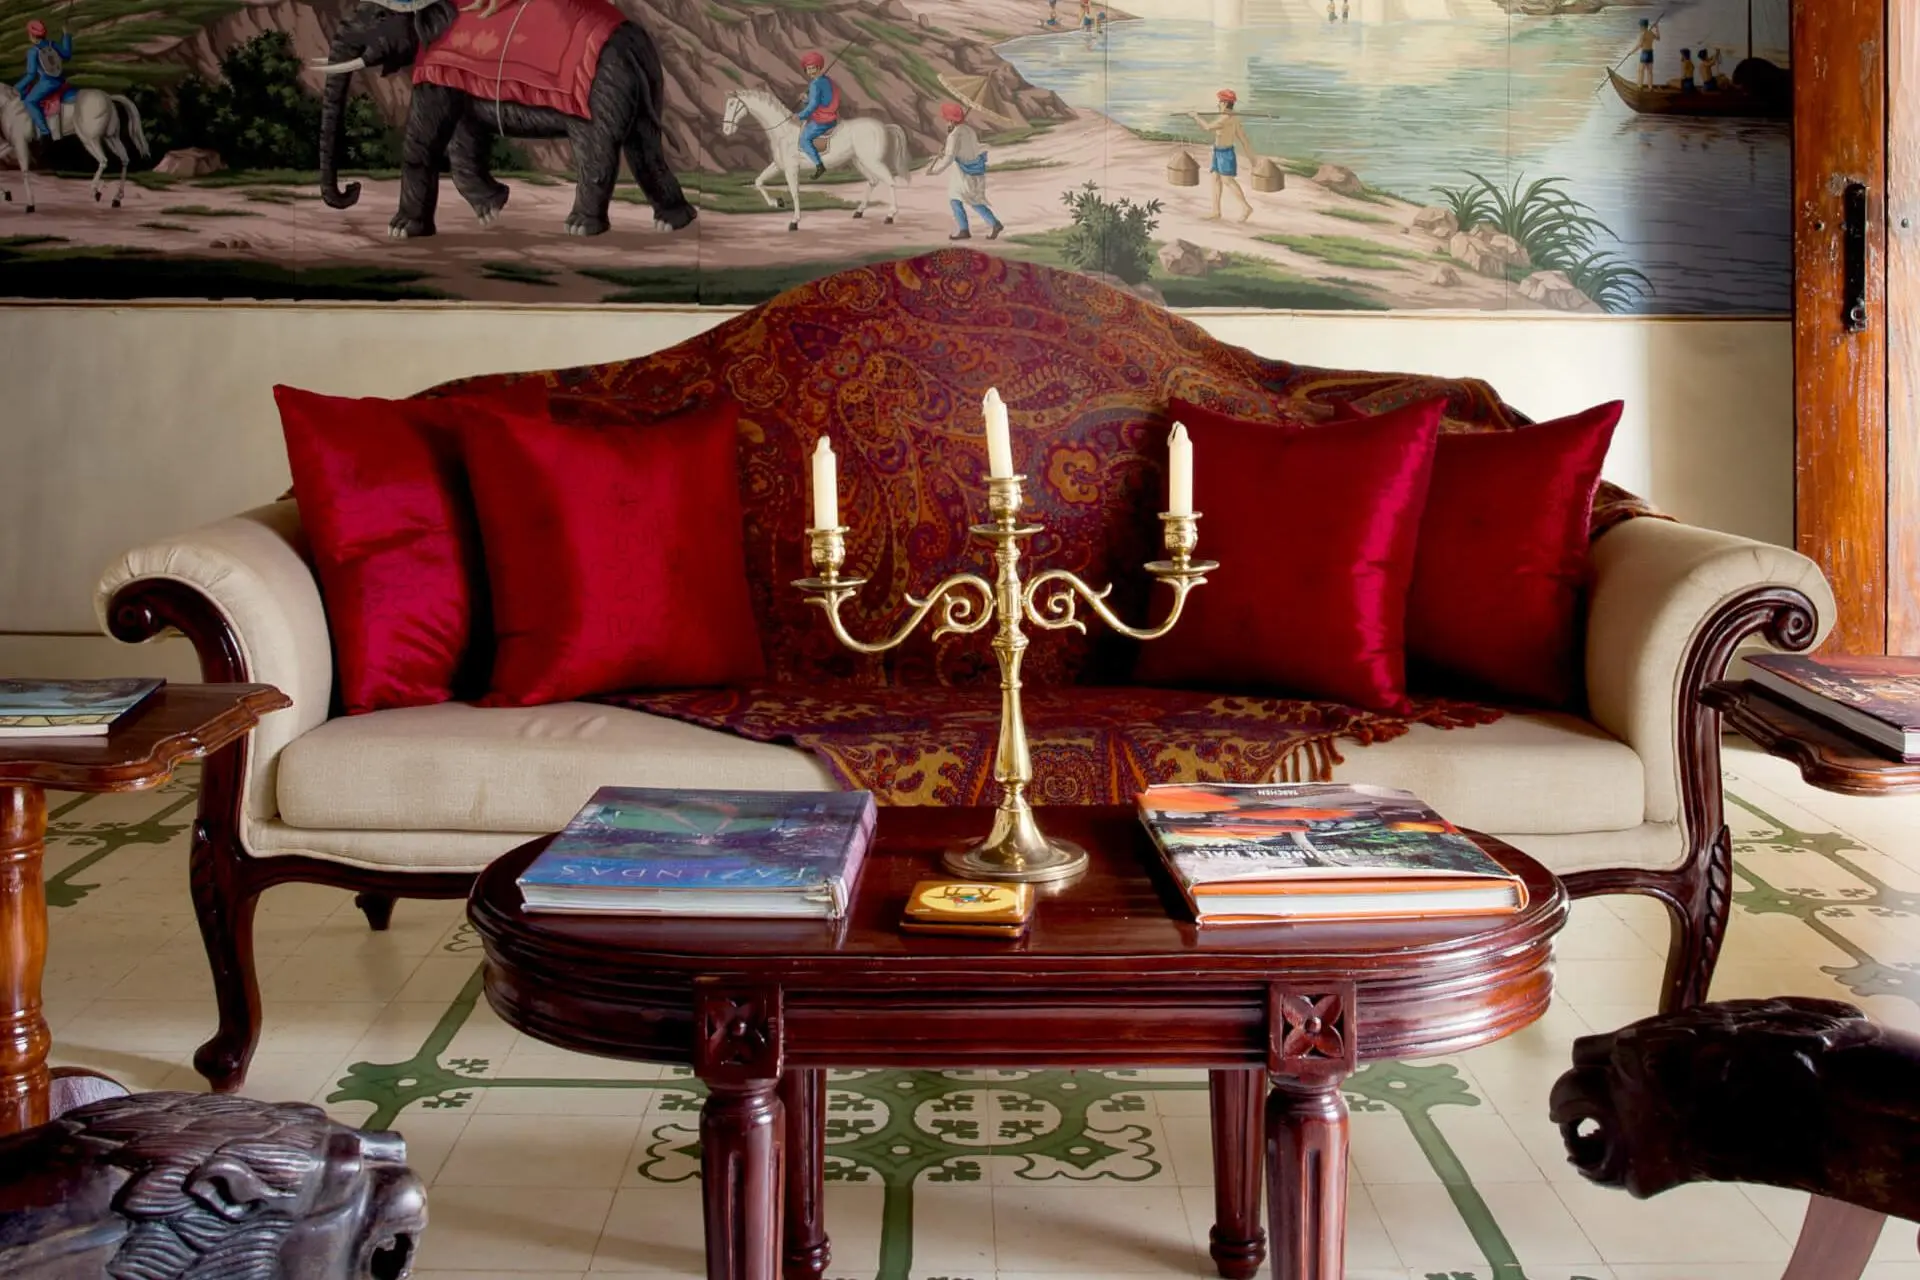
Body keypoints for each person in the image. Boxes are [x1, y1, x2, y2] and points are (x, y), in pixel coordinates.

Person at [927, 100, 1001, 241]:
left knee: (957, 199)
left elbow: (949, 158)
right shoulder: (969, 130)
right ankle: (991, 224)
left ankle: (967, 229)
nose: (945, 122)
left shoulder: (954, 135)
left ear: (950, 120)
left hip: (963, 173)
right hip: (976, 170)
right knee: (973, 200)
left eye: (946, 119)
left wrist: (935, 170)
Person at [1191, 88, 1257, 223]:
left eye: (1220, 102)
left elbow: (1208, 128)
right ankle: (1216, 211)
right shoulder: (1231, 118)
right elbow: (1243, 138)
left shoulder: (1226, 119)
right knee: (1215, 179)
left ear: (1226, 104)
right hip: (1218, 152)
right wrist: (1252, 158)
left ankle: (1246, 207)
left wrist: (1196, 117)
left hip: (1226, 154)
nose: (1218, 105)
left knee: (1227, 180)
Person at [14, 18, 73, 140]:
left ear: (32, 35)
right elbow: (67, 55)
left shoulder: (33, 52)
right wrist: (66, 35)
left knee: (29, 101)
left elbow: (31, 75)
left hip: (47, 83)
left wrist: (17, 87)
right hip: (60, 81)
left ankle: (45, 133)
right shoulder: (53, 44)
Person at [793, 50, 839, 181]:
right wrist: (806, 99)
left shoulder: (815, 84)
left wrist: (800, 116)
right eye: (808, 69)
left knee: (803, 140)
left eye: (813, 68)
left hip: (823, 119)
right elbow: (822, 100)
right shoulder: (826, 80)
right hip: (829, 115)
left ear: (819, 67)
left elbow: (813, 106)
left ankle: (819, 165)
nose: (811, 71)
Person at [1634, 18, 1660, 89]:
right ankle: (1650, 87)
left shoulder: (1642, 34)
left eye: (1640, 26)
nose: (1639, 27)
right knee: (1649, 72)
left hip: (1645, 53)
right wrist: (1657, 28)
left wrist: (1631, 52)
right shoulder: (1650, 33)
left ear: (1642, 26)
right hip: (1650, 54)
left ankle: (1639, 86)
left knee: (1640, 71)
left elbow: (1639, 45)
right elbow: (1658, 38)